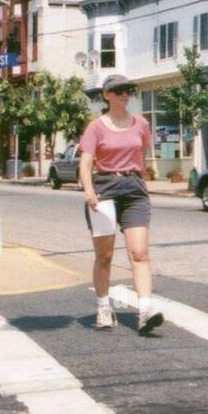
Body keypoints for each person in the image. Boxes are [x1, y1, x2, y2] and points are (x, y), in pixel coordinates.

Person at [78, 75, 164, 334]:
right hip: (104, 188)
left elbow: (143, 152)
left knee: (139, 253)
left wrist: (139, 176)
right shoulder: (96, 127)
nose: (125, 95)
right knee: (104, 256)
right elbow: (86, 161)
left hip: (134, 189)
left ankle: (145, 310)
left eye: (128, 90)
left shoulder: (141, 124)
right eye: (118, 91)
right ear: (106, 95)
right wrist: (89, 190)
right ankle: (103, 307)